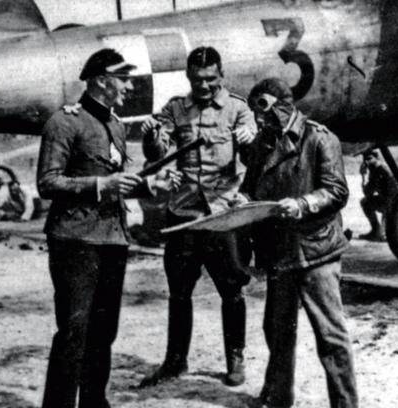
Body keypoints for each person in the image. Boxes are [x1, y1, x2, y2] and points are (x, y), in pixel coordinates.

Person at [37, 48, 175, 408]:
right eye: (122, 78)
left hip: (113, 239)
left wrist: (149, 185)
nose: (129, 86)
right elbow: (47, 182)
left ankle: (94, 402)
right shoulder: (64, 122)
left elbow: (117, 183)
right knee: (74, 332)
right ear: (101, 80)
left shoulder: (115, 124)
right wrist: (101, 185)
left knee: (104, 332)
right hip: (75, 240)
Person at [139, 46, 256, 387]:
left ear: (221, 76)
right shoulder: (175, 108)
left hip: (223, 215)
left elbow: (253, 151)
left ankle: (235, 358)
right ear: (188, 77)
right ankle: (176, 361)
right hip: (184, 214)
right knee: (179, 291)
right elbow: (156, 153)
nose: (204, 86)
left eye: (210, 79)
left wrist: (249, 138)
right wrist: (152, 136)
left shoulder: (238, 109)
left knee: (231, 290)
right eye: (197, 79)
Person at [241, 78, 358, 408]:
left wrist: (303, 204)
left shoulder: (319, 138)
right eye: (254, 111)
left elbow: (337, 191)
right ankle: (279, 398)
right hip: (279, 253)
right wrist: (241, 199)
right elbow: (250, 186)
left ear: (284, 105)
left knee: (330, 336)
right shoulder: (262, 143)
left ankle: (345, 405)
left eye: (263, 108)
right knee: (277, 331)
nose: (258, 118)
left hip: (316, 252)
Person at [359, 148, 398, 241]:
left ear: (377, 158)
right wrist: (363, 176)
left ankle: (382, 231)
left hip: (395, 203)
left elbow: (394, 192)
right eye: (365, 159)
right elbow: (368, 193)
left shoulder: (383, 169)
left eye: (369, 158)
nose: (366, 162)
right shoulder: (374, 170)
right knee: (365, 202)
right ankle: (375, 230)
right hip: (387, 201)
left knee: (382, 236)